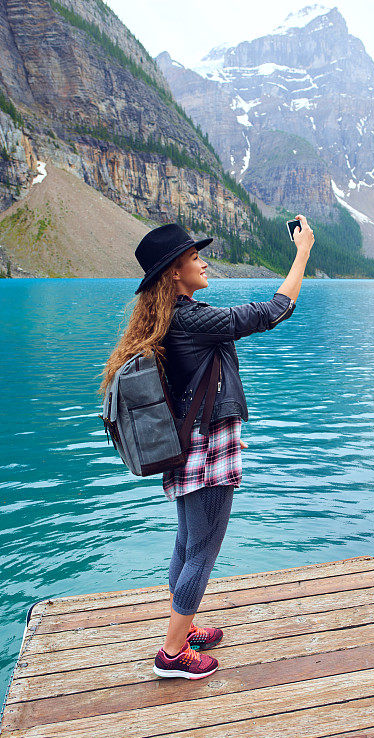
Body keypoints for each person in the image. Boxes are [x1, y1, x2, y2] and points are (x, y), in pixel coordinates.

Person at [98, 214, 314, 680]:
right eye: (196, 258)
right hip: (208, 448)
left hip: (187, 444)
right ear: (175, 271)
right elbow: (271, 311)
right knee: (204, 548)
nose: (205, 264)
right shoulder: (192, 318)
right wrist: (302, 255)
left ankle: (185, 624)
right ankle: (173, 654)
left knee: (187, 541)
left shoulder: (170, 318)